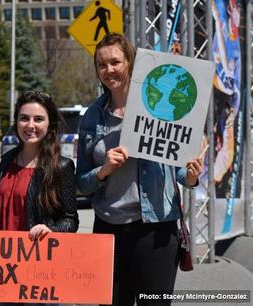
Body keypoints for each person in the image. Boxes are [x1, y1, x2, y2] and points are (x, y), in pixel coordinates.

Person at [75, 33, 203, 306]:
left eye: (115, 62)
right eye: (102, 65)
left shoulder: (159, 106)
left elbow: (181, 173)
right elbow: (81, 184)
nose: (109, 70)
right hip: (108, 231)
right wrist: (104, 170)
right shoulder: (92, 116)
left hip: (155, 230)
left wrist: (192, 174)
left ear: (130, 63)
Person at [0, 90, 79, 241]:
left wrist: (51, 230)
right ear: (16, 121)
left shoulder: (61, 167)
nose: (30, 125)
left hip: (36, 257)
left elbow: (70, 220)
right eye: (24, 118)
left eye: (38, 119)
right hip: (1, 257)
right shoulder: (6, 160)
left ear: (50, 124)